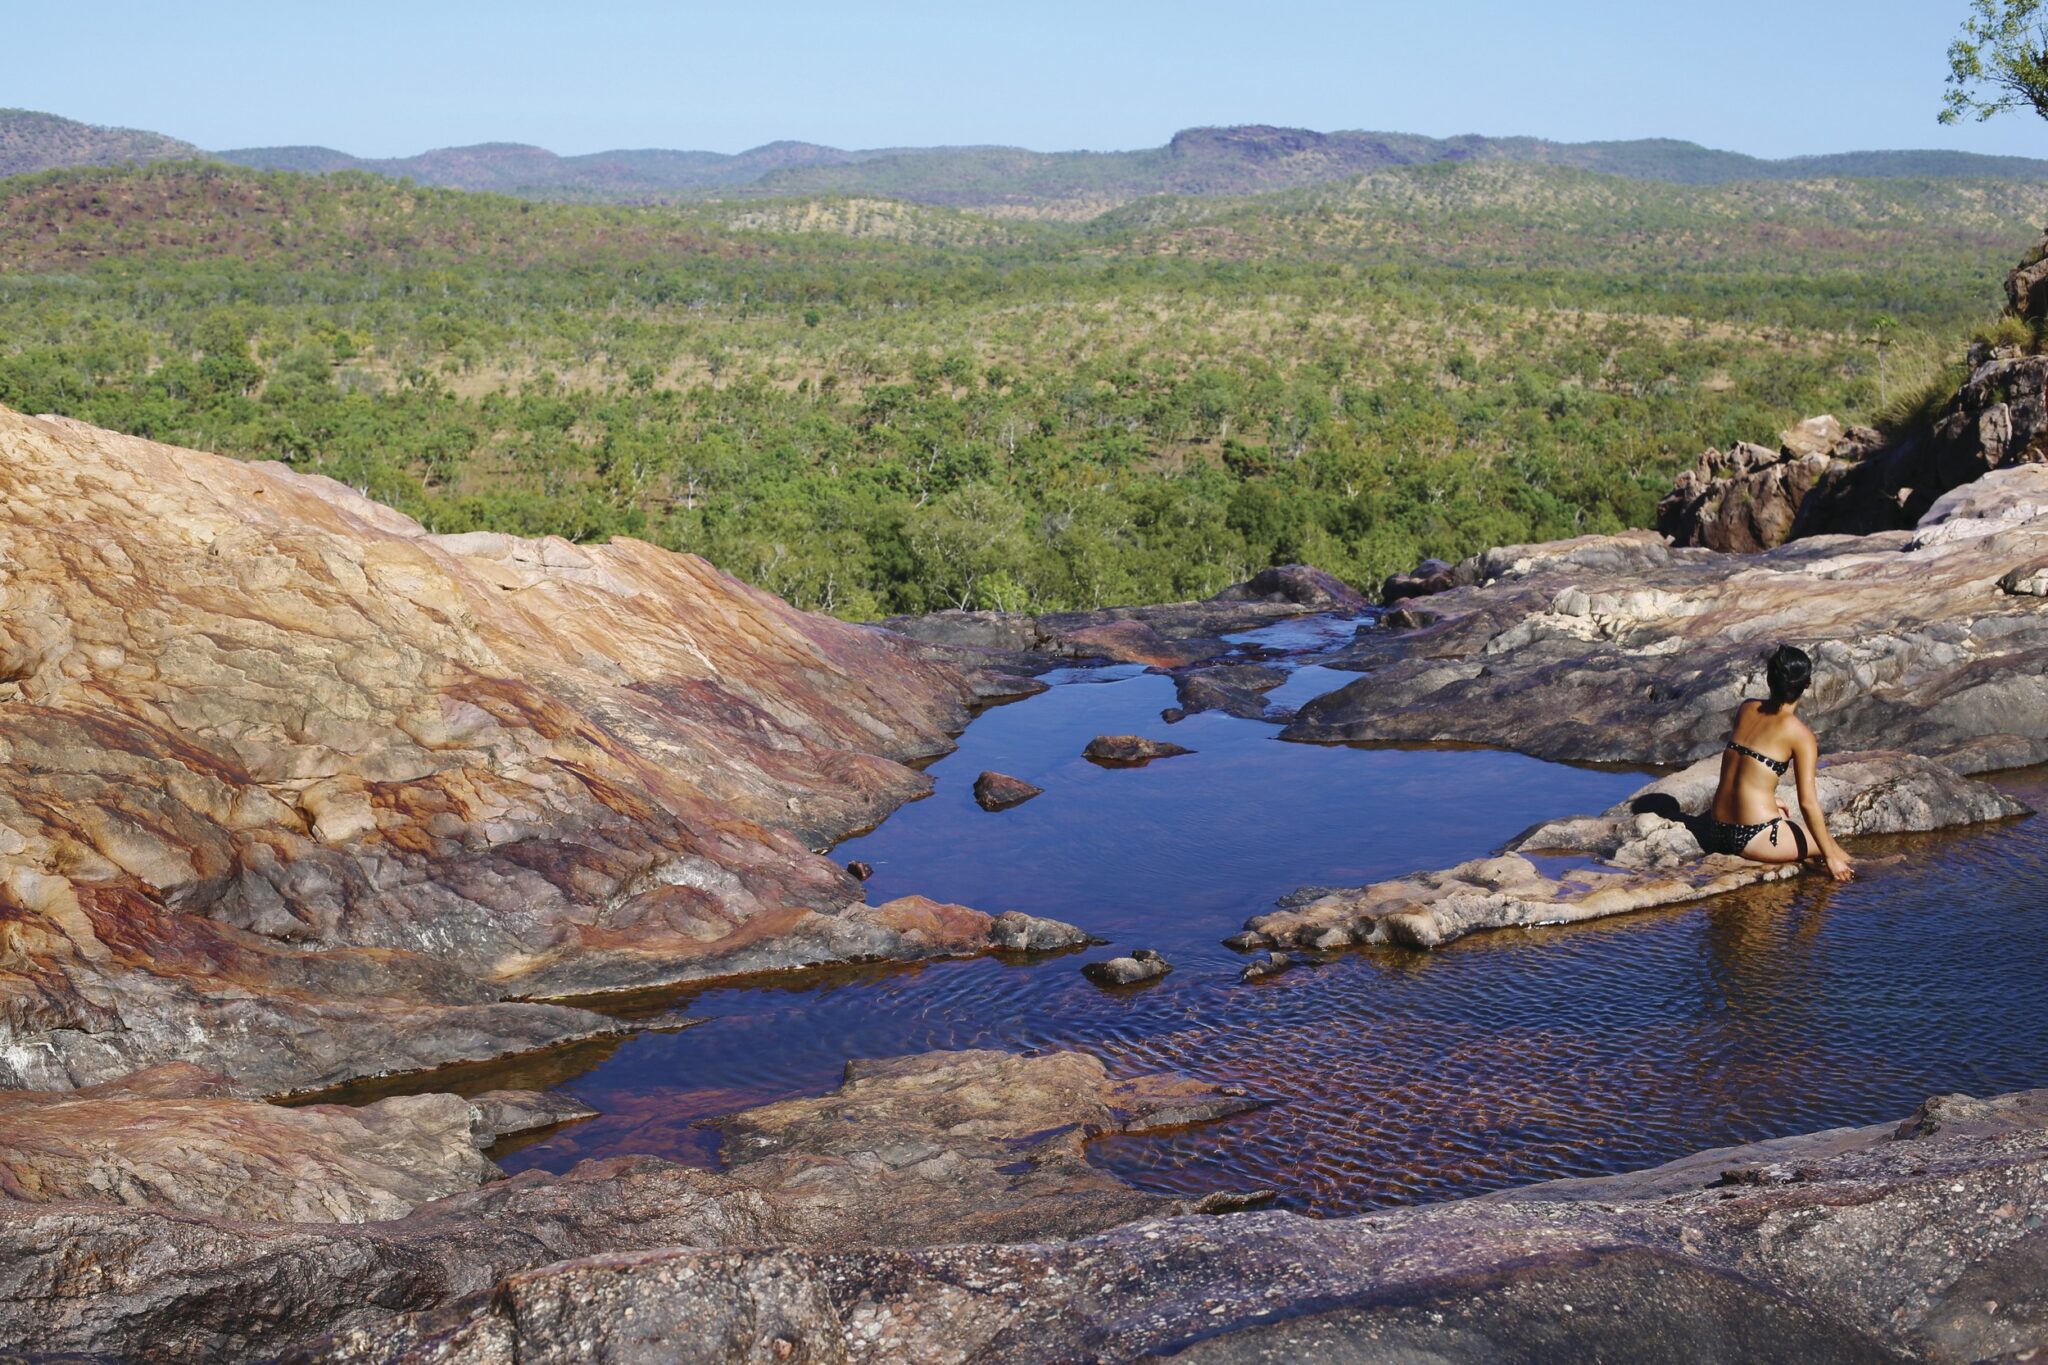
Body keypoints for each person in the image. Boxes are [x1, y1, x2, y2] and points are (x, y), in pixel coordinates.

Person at [1695, 645, 1856, 882]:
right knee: (1833, 848)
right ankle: (1861, 874)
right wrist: (1831, 856)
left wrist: (1769, 801)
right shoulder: (1800, 736)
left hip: (1717, 830)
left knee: (1783, 815)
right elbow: (1808, 803)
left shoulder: (1746, 708)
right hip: (1752, 837)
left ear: (1769, 680)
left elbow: (1746, 769)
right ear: (1807, 685)